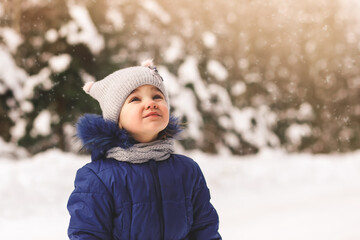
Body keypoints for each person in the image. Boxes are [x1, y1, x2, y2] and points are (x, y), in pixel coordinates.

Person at [67, 59, 221, 240]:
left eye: (157, 96)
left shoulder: (187, 171)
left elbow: (205, 229)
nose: (151, 103)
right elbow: (88, 235)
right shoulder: (99, 178)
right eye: (135, 99)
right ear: (116, 119)